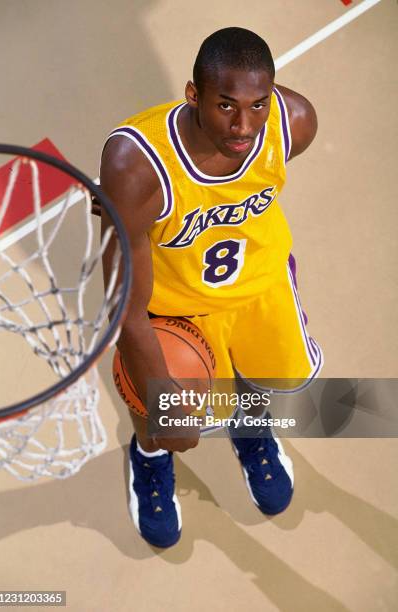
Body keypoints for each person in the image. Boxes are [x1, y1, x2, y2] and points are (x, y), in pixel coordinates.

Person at [100, 27, 323, 548]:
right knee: (154, 393)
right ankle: (149, 456)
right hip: (173, 307)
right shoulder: (136, 164)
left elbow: (258, 164)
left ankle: (248, 428)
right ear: (193, 94)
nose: (244, 126)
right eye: (226, 105)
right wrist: (163, 412)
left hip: (259, 283)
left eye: (257, 104)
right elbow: (125, 305)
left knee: (256, 379)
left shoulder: (294, 124)